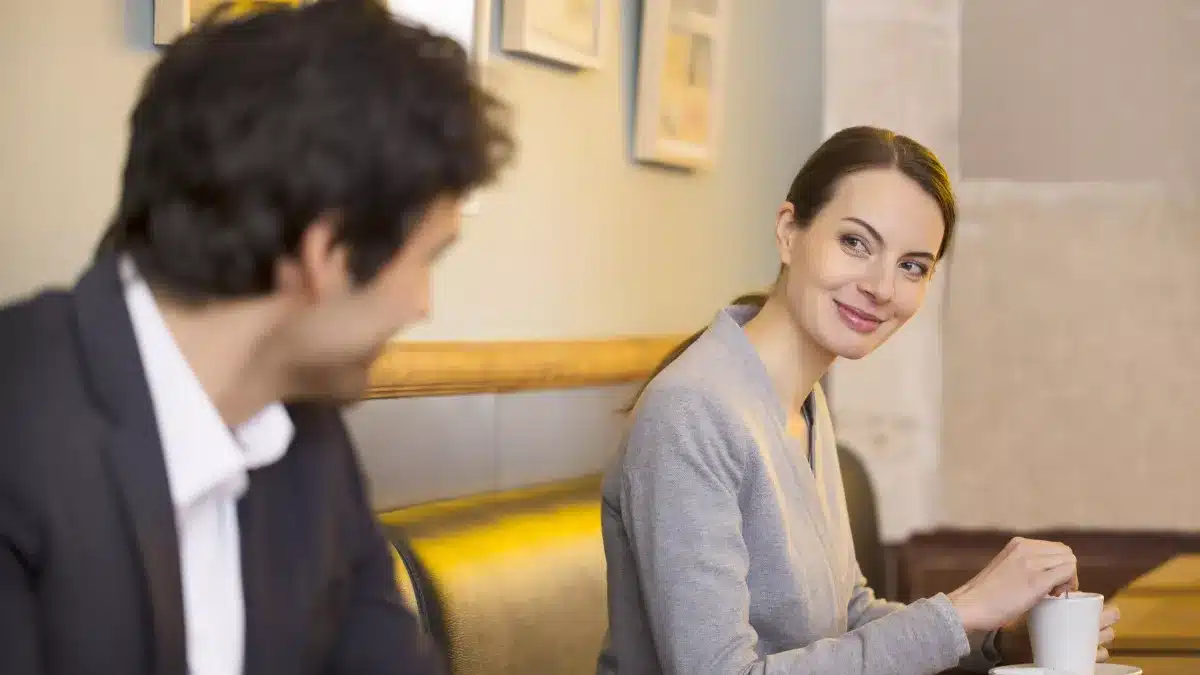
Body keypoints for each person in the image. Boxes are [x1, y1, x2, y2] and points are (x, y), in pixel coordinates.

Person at [0, 1, 512, 674]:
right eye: (427, 260)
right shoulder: (21, 427)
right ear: (324, 251)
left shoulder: (308, 438)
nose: (424, 304)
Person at [596, 126, 1119, 674]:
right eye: (855, 243)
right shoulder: (692, 412)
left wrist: (997, 641)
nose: (882, 287)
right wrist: (963, 611)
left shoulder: (803, 405)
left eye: (912, 265)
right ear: (789, 231)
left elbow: (847, 616)